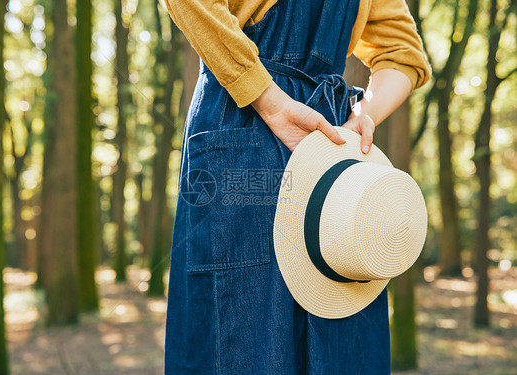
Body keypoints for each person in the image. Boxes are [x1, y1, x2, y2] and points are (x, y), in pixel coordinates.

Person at [163, 0, 431, 373]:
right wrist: (268, 99)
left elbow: (404, 52)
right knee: (244, 339)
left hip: (329, 148)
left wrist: (362, 117)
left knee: (340, 338)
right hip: (245, 117)